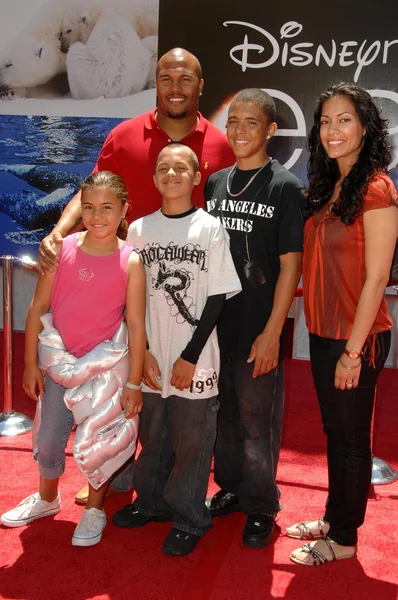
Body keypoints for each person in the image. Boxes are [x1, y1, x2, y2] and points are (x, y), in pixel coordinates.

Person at [37, 46, 234, 505]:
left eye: (186, 79)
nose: (176, 87)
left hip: (185, 302)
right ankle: (115, 479)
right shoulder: (124, 136)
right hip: (120, 292)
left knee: (177, 399)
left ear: (200, 86)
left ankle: (173, 490)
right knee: (120, 388)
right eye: (167, 77)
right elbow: (91, 193)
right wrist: (59, 231)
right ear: (156, 81)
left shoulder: (221, 147)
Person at [1, 172, 146, 547]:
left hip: (106, 371)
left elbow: (136, 323)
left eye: (107, 208)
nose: (97, 216)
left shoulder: (131, 261)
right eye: (89, 208)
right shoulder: (61, 250)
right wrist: (31, 363)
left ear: (124, 209)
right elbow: (37, 309)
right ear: (79, 209)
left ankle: (95, 508)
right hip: (58, 366)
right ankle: (47, 498)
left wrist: (133, 383)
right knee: (48, 439)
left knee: (100, 441)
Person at [286, 83, 398, 566]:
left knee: (351, 441)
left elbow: (377, 278)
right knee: (336, 432)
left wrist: (353, 352)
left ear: (366, 126)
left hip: (360, 335)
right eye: (326, 121)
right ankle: (336, 517)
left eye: (344, 119)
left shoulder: (376, 187)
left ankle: (345, 540)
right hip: (325, 330)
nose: (333, 130)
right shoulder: (329, 184)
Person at [115, 142, 241, 555]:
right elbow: (130, 299)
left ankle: (190, 516)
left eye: (181, 168)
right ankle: (151, 503)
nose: (171, 174)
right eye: (163, 168)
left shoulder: (209, 228)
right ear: (154, 178)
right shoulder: (138, 230)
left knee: (191, 441)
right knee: (152, 436)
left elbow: (218, 298)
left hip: (195, 357)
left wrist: (189, 356)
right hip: (151, 356)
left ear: (196, 177)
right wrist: (145, 350)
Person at [205, 89, 305, 548]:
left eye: (252, 122)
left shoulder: (284, 186)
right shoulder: (215, 183)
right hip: (214, 327)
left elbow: (291, 266)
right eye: (234, 121)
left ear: (270, 130)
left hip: (257, 328)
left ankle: (262, 504)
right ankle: (230, 487)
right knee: (222, 415)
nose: (241, 130)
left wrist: (273, 333)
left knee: (256, 421)